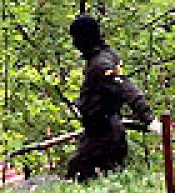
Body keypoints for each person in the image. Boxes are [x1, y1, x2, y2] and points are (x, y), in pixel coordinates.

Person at [63, 14, 158, 182]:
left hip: (105, 136)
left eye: (76, 38)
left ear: (84, 37)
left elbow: (127, 89)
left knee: (79, 176)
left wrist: (149, 119)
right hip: (99, 133)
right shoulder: (105, 56)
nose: (74, 43)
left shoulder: (101, 64)